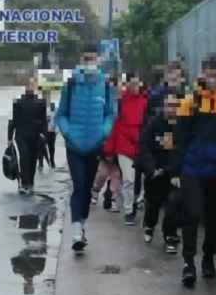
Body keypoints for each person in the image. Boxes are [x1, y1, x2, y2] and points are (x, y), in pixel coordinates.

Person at [171, 53, 216, 288]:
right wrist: (176, 171)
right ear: (203, 74)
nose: (214, 80)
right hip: (192, 168)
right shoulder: (189, 102)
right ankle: (188, 263)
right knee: (192, 213)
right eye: (210, 75)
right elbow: (179, 139)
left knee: (215, 220)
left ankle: (208, 257)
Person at [55, 51, 116, 253]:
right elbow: (61, 114)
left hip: (94, 146)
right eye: (86, 59)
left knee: (87, 187)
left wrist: (103, 132)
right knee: (79, 186)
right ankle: (76, 232)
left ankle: (81, 225)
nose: (90, 62)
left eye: (93, 58)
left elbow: (110, 113)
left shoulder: (106, 86)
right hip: (74, 147)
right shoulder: (71, 85)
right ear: (81, 61)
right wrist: (68, 133)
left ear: (98, 61)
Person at [138, 92, 183, 253]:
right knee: (153, 204)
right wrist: (152, 168)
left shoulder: (181, 126)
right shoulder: (153, 124)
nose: (171, 110)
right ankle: (149, 225)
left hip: (172, 173)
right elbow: (144, 146)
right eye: (169, 106)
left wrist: (176, 171)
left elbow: (181, 150)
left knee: (173, 204)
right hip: (155, 172)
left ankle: (170, 236)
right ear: (163, 107)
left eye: (175, 107)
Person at [107, 73, 148, 226]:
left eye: (138, 83)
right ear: (128, 85)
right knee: (129, 179)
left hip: (141, 146)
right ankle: (129, 210)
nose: (136, 87)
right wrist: (110, 150)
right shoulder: (121, 102)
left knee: (143, 179)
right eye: (133, 84)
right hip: (124, 146)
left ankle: (138, 200)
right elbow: (115, 126)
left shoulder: (145, 102)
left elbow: (149, 125)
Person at [11, 79, 47, 195]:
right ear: (25, 87)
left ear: (35, 87)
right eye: (28, 85)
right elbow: (14, 120)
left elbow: (44, 120)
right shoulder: (18, 102)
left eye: (32, 85)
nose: (30, 87)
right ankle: (24, 183)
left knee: (32, 159)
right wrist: (9, 137)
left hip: (35, 135)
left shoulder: (41, 102)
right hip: (21, 135)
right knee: (24, 158)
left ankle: (30, 182)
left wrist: (44, 134)